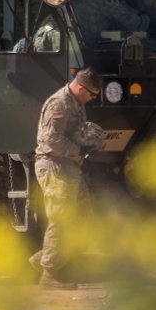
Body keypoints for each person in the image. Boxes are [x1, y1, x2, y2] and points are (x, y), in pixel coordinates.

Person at [35, 68, 106, 285]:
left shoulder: (77, 103)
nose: (94, 99)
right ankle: (49, 276)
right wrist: (79, 151)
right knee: (62, 219)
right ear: (81, 88)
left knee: (84, 217)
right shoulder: (59, 105)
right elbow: (51, 141)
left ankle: (43, 259)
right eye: (93, 94)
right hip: (55, 166)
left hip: (70, 167)